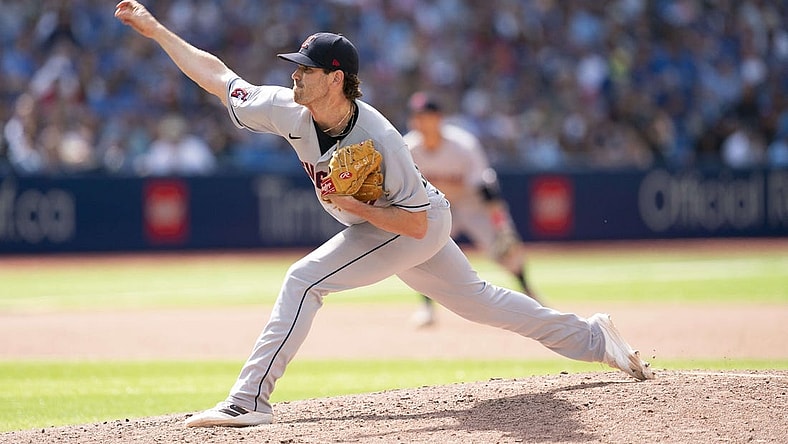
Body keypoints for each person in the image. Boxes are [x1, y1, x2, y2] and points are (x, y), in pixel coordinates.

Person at [114, 0, 654, 428]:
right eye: (295, 69)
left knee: (304, 281)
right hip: (390, 223)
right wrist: (158, 30)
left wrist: (351, 205)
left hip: (413, 222)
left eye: (305, 70)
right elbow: (218, 76)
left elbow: (417, 226)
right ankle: (594, 338)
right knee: (482, 303)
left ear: (336, 78)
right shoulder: (286, 108)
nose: (295, 77)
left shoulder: (381, 139)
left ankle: (247, 401)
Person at [404, 92, 542, 327]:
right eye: (417, 116)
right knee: (422, 250)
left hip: (471, 205)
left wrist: (500, 225)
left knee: (507, 250)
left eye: (426, 116)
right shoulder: (407, 147)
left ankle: (530, 294)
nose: (421, 122)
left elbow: (487, 189)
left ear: (439, 118)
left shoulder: (463, 145)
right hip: (436, 206)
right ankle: (427, 308)